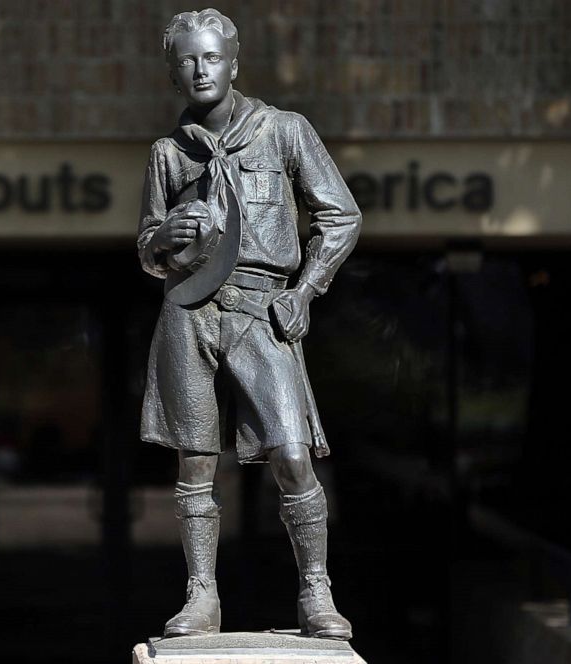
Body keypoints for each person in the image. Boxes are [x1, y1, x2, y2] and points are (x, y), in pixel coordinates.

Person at [137, 8, 361, 640]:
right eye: (187, 60)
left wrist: (307, 290)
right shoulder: (167, 153)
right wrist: (164, 239)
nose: (200, 69)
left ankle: (316, 589)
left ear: (234, 64)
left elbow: (340, 217)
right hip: (188, 310)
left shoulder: (284, 131)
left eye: (211, 57)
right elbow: (146, 249)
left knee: (292, 455)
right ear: (173, 73)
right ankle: (200, 593)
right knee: (195, 462)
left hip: (262, 309)